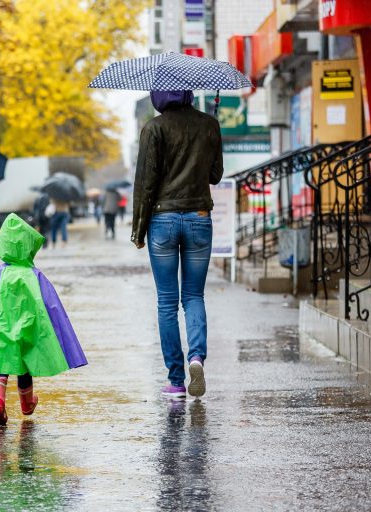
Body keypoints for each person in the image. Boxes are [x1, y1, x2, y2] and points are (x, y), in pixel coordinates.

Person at [131, 90, 223, 400]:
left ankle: (176, 379)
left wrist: (138, 230)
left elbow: (145, 182)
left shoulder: (153, 129)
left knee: (167, 302)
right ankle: (196, 357)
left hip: (163, 221)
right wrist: (209, 133)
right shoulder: (209, 124)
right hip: (199, 216)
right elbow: (215, 175)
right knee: (194, 295)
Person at [0, 213, 87, 425]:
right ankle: (27, 404)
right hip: (28, 329)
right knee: (24, 365)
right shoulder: (34, 275)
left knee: (0, 366)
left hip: (1, 330)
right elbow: (50, 305)